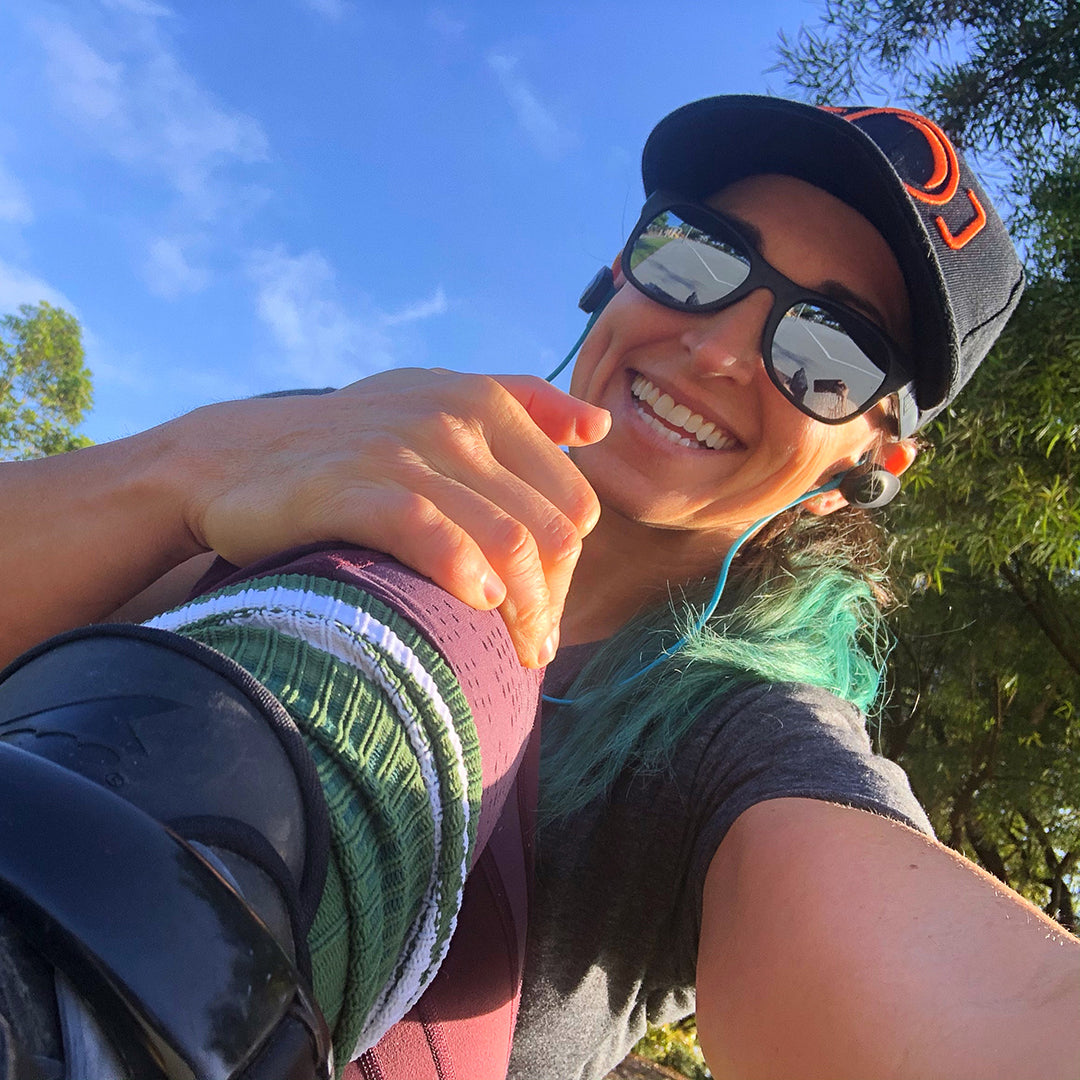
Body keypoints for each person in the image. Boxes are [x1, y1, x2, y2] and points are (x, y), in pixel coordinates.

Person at [0, 94, 1078, 1080]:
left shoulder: (746, 742)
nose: (717, 349)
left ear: (871, 465)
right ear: (617, 273)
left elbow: (947, 994)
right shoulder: (326, 463)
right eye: (702, 254)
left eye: (830, 349)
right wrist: (184, 468)